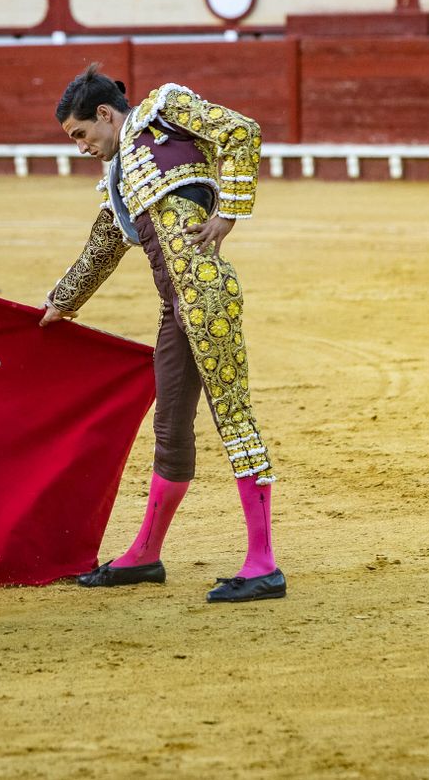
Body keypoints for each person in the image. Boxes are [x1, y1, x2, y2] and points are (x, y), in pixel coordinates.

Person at [44, 67, 284, 604]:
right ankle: (146, 554)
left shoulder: (163, 113)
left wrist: (230, 213)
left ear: (105, 114)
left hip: (206, 297)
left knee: (234, 418)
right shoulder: (119, 177)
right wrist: (59, 304)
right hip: (175, 308)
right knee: (171, 426)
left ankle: (263, 564)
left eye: (80, 133)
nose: (80, 146)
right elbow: (102, 248)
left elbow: (242, 130)